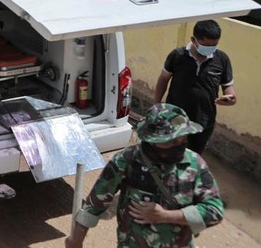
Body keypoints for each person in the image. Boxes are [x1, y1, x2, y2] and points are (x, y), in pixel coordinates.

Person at [65, 103, 224, 248]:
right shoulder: (126, 160)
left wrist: (166, 216)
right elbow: (94, 205)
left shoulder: (194, 164)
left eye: (182, 139)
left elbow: (214, 210)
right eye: (171, 141)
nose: (179, 145)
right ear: (152, 140)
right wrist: (76, 240)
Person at [154, 20, 236, 154]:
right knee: (170, 154)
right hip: (175, 118)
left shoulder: (222, 59)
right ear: (193, 39)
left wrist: (230, 98)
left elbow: (228, 87)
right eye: (206, 45)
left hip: (203, 121)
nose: (210, 48)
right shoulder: (177, 55)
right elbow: (163, 80)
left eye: (214, 45)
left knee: (193, 156)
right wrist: (156, 105)